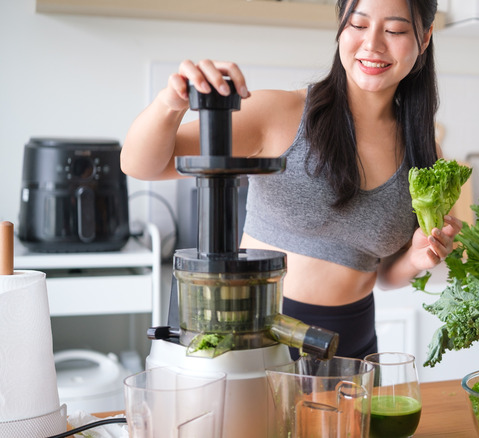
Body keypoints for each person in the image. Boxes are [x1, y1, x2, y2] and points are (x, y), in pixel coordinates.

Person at [121, 0, 461, 359]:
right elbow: (141, 165)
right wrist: (170, 103)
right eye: (358, 26)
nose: (373, 44)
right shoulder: (280, 116)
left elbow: (383, 275)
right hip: (253, 337)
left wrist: (417, 258)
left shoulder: (427, 156)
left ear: (424, 38)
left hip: (353, 350)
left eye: (394, 30)